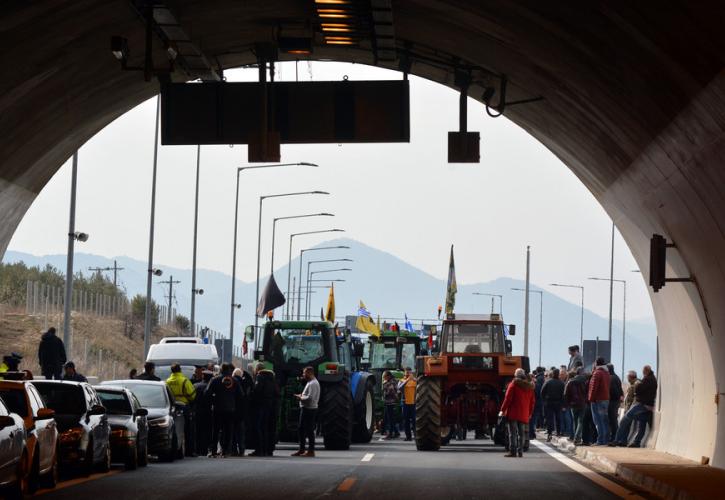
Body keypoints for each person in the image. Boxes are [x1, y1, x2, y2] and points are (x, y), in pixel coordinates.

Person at [613, 365, 657, 448]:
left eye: (643, 372)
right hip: (648, 405)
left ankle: (617, 440)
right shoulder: (652, 379)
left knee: (624, 420)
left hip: (642, 404)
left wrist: (638, 390)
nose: (643, 373)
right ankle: (637, 442)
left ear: (646, 371)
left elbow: (639, 389)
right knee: (642, 423)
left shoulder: (646, 379)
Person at [207, 363, 242, 457]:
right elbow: (241, 395)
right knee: (228, 431)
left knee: (215, 431)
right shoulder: (234, 380)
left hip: (217, 409)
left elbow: (207, 393)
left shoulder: (214, 379)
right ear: (230, 370)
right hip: (230, 409)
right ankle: (226, 452)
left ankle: (213, 451)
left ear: (221, 370)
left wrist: (213, 401)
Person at [500, 368, 535, 458]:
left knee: (512, 433)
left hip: (513, 413)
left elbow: (508, 399)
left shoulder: (513, 384)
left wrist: (502, 410)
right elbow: (532, 402)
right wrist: (530, 413)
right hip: (524, 413)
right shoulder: (530, 387)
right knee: (521, 433)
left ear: (515, 375)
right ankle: (520, 451)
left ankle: (513, 451)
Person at [166, 363, 196, 456]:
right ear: (180, 370)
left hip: (171, 407)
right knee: (188, 429)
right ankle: (189, 451)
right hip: (183, 407)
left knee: (173, 429)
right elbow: (192, 395)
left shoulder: (167, 381)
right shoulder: (184, 381)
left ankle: (174, 449)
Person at [292, 366, 321, 457]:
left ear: (309, 373)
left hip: (309, 409)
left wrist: (300, 397)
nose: (303, 375)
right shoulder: (311, 383)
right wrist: (302, 395)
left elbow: (310, 398)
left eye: (304, 373)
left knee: (308, 430)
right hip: (308, 408)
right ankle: (302, 449)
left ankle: (310, 451)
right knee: (303, 429)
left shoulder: (313, 383)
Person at [250, 363, 278, 457]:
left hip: (260, 405)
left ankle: (259, 449)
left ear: (257, 369)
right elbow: (276, 392)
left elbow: (257, 390)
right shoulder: (272, 378)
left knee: (258, 427)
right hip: (270, 406)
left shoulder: (260, 376)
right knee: (267, 427)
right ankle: (268, 449)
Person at [588, 357, 611, 445]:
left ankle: (600, 440)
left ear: (596, 364)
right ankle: (605, 440)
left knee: (598, 421)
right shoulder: (606, 373)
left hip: (597, 400)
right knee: (604, 420)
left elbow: (594, 387)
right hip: (605, 399)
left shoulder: (597, 373)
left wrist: (591, 398)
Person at [231, 367, 252, 456]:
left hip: (232, 409)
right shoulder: (246, 382)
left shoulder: (232, 382)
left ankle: (233, 450)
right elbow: (251, 383)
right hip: (243, 411)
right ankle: (242, 449)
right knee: (241, 432)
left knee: (232, 431)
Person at [564, 369, 588, 445]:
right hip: (582, 403)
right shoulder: (585, 381)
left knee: (575, 421)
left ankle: (576, 437)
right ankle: (577, 438)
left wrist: (568, 403)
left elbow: (566, 394)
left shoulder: (570, 382)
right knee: (580, 421)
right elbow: (587, 392)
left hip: (573, 404)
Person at [541, 368, 565, 441]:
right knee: (558, 418)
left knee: (549, 418)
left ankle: (549, 433)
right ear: (558, 374)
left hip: (549, 402)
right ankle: (558, 432)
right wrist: (563, 403)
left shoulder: (548, 382)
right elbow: (563, 394)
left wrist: (544, 400)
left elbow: (542, 392)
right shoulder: (561, 383)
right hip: (558, 402)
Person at [194, 370, 214, 456]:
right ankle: (205, 449)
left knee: (198, 430)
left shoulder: (195, 386)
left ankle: (198, 449)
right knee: (207, 431)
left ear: (203, 376)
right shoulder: (212, 387)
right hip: (208, 412)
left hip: (197, 411)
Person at [397, 367, 417, 441]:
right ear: (404, 373)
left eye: (409, 372)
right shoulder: (401, 381)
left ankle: (416, 435)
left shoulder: (415, 381)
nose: (408, 373)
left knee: (415, 421)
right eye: (407, 372)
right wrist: (407, 380)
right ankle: (408, 436)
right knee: (406, 421)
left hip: (413, 403)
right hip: (405, 403)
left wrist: (414, 379)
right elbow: (399, 388)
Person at [607, 364, 624, 441]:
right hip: (616, 401)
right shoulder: (616, 377)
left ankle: (614, 438)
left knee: (612, 420)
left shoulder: (611, 378)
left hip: (613, 401)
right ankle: (615, 437)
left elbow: (614, 391)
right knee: (613, 420)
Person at [382, 371, 399, 439]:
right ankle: (396, 432)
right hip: (388, 402)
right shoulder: (392, 381)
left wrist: (385, 392)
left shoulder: (391, 382)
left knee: (390, 419)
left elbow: (391, 391)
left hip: (390, 402)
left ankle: (391, 434)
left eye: (385, 376)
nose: (384, 378)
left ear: (388, 376)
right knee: (388, 417)